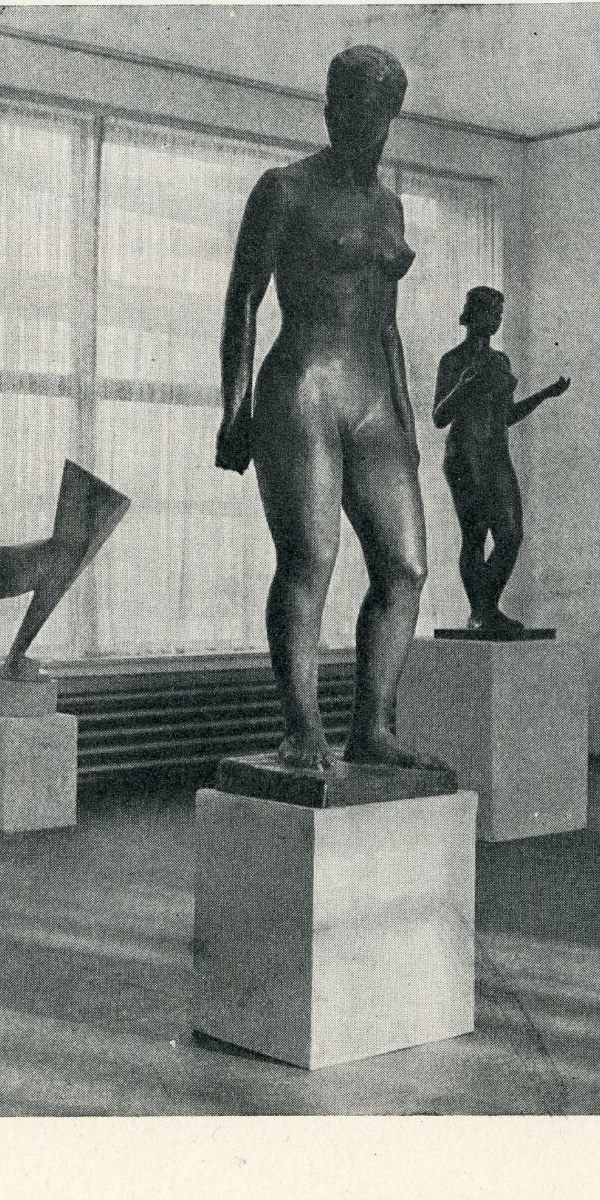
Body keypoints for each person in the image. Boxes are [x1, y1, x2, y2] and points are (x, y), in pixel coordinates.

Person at [215, 45, 438, 772]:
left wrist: (405, 418)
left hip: (373, 393)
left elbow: (388, 324)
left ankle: (372, 726)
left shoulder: (389, 205)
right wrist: (235, 408)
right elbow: (244, 298)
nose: (361, 123)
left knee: (405, 567)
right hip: (302, 384)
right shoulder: (285, 188)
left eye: (377, 111)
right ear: (329, 109)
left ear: (390, 115)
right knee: (310, 557)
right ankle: (302, 726)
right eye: (348, 107)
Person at [433, 286, 569, 634]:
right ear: (473, 314)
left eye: (499, 313)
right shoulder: (453, 360)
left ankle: (485, 608)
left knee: (511, 535)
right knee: (475, 535)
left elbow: (506, 415)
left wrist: (544, 395)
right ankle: (481, 613)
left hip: (496, 455)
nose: (496, 319)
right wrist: (463, 385)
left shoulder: (500, 361)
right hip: (465, 454)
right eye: (491, 312)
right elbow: (439, 416)